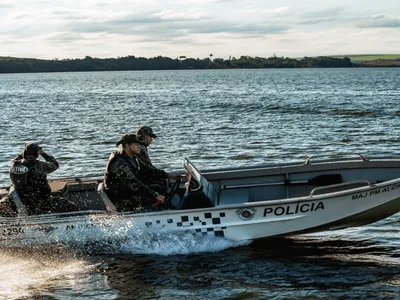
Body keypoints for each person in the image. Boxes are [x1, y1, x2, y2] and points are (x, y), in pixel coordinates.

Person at [103, 133, 180, 212]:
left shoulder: (132, 159)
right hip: (121, 200)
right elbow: (134, 184)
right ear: (126, 145)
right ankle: (162, 214)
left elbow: (149, 171)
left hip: (127, 193)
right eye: (136, 144)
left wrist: (169, 175)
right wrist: (155, 195)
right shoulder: (120, 163)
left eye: (139, 144)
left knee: (157, 186)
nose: (139, 146)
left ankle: (165, 210)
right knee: (154, 193)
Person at [9, 143, 72, 215]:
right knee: (70, 206)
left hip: (23, 200)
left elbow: (17, 159)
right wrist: (43, 153)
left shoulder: (13, 165)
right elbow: (55, 164)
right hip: (40, 201)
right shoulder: (39, 165)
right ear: (37, 153)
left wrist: (23, 153)